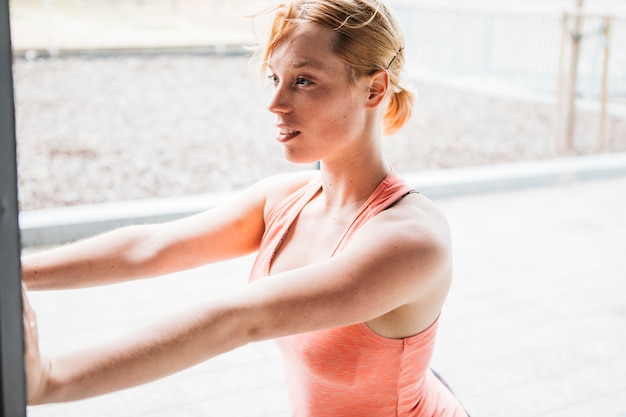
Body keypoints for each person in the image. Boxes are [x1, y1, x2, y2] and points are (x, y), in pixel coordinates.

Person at [22, 0, 469, 415]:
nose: (275, 104)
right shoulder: (286, 198)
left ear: (374, 90)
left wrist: (51, 381)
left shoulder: (411, 240)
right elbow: (150, 247)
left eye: (304, 80)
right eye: (275, 79)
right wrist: (14, 274)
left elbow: (240, 319)